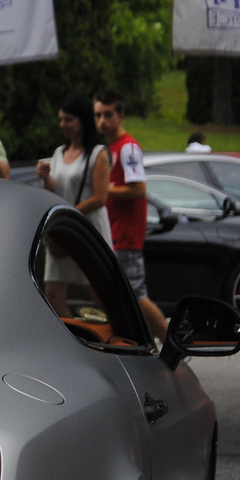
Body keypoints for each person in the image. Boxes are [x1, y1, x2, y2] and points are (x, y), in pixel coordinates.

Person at [94, 89, 168, 337]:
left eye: (108, 115)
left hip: (126, 233)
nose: (102, 121)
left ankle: (170, 342)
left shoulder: (128, 148)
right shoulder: (112, 147)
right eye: (98, 115)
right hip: (114, 232)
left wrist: (104, 189)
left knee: (135, 294)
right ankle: (133, 337)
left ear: (121, 115)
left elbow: (138, 190)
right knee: (116, 294)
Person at [37, 97, 112, 314]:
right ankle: (78, 338)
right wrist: (45, 179)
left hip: (89, 230)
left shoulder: (98, 153)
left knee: (100, 292)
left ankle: (121, 338)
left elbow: (100, 197)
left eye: (68, 120)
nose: (63, 125)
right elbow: (57, 190)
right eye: (61, 120)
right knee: (53, 293)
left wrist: (69, 215)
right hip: (65, 230)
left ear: (82, 121)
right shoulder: (59, 153)